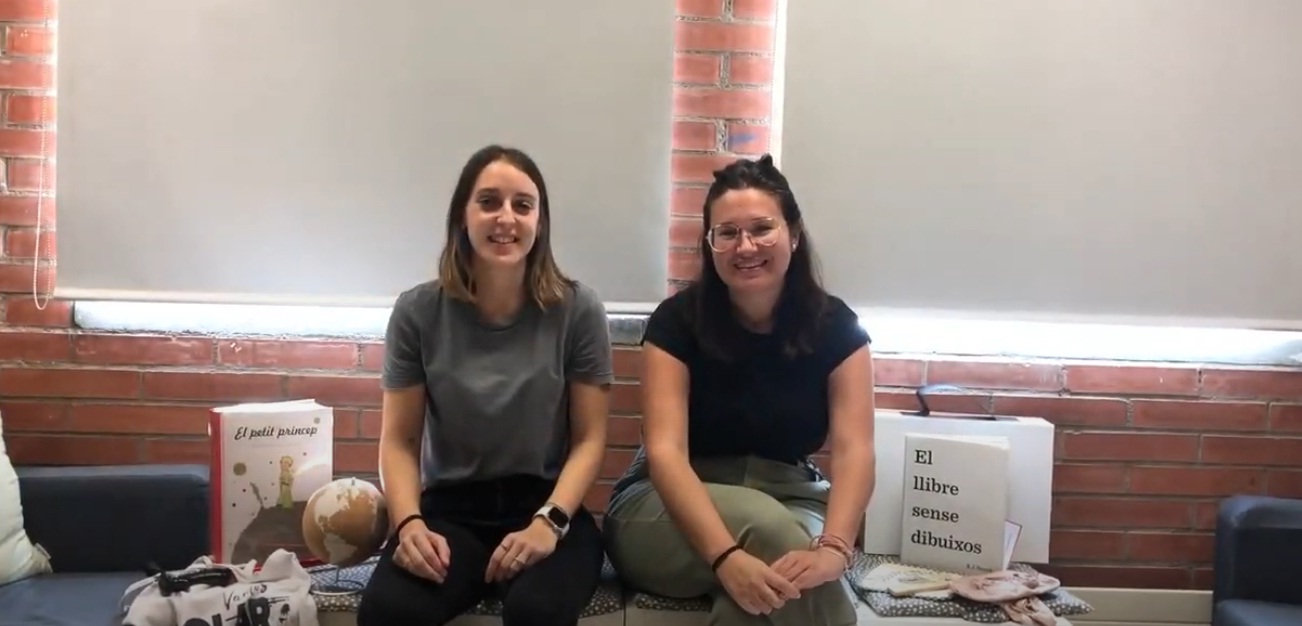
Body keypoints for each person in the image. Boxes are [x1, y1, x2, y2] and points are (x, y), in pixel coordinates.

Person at [603, 154, 877, 626]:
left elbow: (856, 449)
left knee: (769, 589)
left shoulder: (837, 328)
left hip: (792, 496)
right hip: (664, 509)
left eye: (762, 228)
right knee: (771, 534)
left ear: (794, 234)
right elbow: (665, 453)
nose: (745, 246)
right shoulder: (675, 323)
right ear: (710, 244)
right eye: (727, 233)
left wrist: (835, 549)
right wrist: (726, 557)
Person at [356, 145, 614, 626]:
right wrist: (408, 523)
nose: (506, 218)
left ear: (540, 222)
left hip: (546, 508)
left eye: (523, 205)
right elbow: (400, 441)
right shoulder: (416, 313)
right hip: (451, 512)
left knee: (538, 612)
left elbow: (590, 439)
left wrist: (550, 522)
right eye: (489, 202)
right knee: (389, 611)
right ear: (463, 215)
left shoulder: (579, 310)